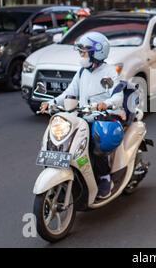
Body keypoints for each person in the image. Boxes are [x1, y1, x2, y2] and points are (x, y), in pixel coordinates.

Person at [40, 32, 125, 199]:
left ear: (97, 53)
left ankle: (104, 178)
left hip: (102, 117)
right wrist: (51, 103)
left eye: (84, 52)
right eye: (80, 52)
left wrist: (105, 104)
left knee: (96, 144)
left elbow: (117, 96)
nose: (81, 56)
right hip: (82, 118)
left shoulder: (107, 73)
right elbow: (69, 93)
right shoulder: (82, 73)